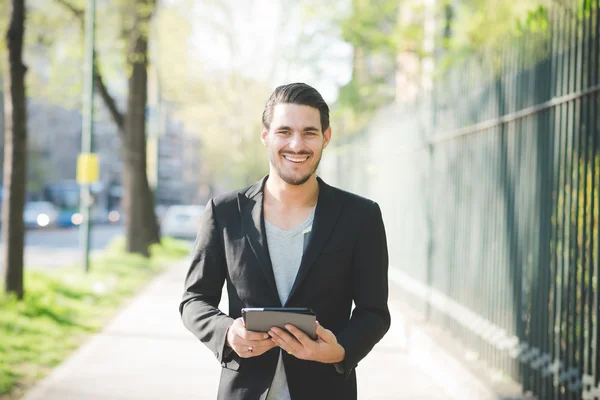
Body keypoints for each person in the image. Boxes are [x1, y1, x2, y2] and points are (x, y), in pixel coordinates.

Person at [179, 82, 390, 400]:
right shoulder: (224, 213)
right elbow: (194, 300)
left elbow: (374, 312)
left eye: (309, 132)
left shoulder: (361, 216)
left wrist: (339, 351)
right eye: (284, 131)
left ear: (326, 138)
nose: (296, 144)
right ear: (265, 136)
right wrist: (227, 333)